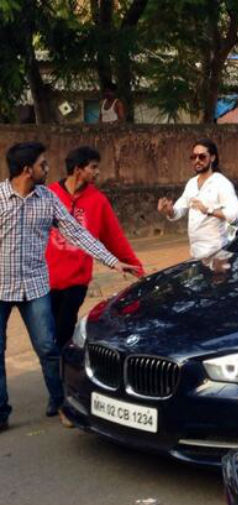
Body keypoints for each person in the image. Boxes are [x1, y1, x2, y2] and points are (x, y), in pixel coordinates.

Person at [0, 142, 137, 431]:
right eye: (42, 164)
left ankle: (61, 402)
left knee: (49, 347)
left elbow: (78, 234)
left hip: (36, 287)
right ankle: (1, 412)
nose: (46, 168)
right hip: (1, 286)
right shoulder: (0, 199)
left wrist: (114, 261)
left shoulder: (47, 198)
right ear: (27, 169)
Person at [46, 146, 144, 349]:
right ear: (78, 169)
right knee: (48, 330)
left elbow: (114, 238)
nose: (98, 172)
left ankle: (62, 372)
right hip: (47, 279)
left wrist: (136, 267)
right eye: (93, 167)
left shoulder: (98, 201)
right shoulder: (49, 195)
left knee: (65, 328)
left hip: (77, 280)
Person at [157, 139, 238, 259]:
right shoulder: (192, 183)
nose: (197, 160)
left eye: (202, 157)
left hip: (218, 254)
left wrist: (209, 210)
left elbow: (237, 215)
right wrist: (169, 210)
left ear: (212, 158)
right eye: (194, 157)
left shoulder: (221, 183)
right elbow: (178, 211)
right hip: (196, 255)